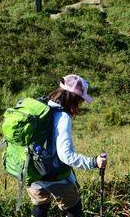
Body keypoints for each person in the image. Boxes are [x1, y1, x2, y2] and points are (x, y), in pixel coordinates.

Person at [27, 75, 107, 217]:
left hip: (32, 173)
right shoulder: (63, 117)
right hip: (56, 177)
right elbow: (66, 156)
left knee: (40, 207)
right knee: (73, 210)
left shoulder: (42, 108)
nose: (81, 103)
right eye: (81, 100)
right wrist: (94, 162)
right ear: (74, 98)